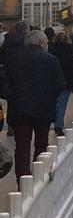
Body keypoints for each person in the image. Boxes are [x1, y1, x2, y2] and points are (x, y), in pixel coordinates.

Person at [6, 31, 65, 178]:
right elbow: (60, 85)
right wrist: (50, 97)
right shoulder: (50, 60)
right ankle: (38, 176)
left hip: (19, 110)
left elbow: (5, 84)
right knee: (41, 143)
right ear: (41, 43)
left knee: (21, 147)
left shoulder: (14, 60)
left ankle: (22, 179)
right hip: (43, 109)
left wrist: (12, 97)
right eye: (45, 42)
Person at [49, 32, 73, 137]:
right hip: (67, 82)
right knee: (62, 103)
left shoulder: (52, 50)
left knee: (55, 102)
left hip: (54, 82)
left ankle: (55, 121)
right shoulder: (71, 51)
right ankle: (58, 124)